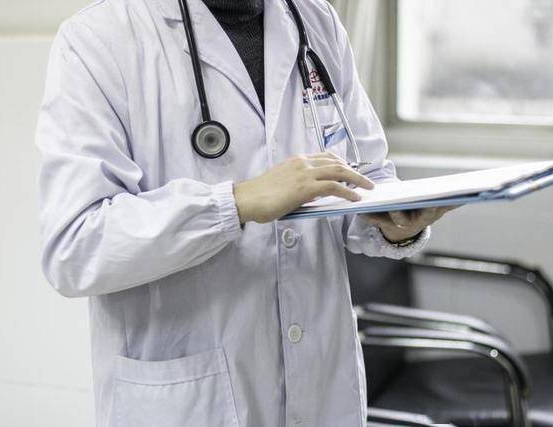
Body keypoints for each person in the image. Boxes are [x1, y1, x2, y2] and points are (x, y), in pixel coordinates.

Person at [36, 0, 451, 425]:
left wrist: (395, 223)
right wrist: (235, 204)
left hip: (323, 387)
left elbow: (363, 174)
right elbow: (76, 247)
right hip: (191, 400)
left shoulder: (315, 19)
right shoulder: (98, 38)